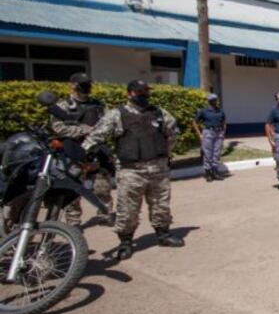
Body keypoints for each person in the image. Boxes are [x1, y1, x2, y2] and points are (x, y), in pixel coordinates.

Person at [83, 80, 183, 260]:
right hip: (131, 171)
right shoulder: (117, 115)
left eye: (146, 91)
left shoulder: (159, 113)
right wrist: (82, 153)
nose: (144, 95)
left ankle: (163, 235)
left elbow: (173, 133)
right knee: (128, 209)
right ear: (129, 94)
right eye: (139, 92)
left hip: (158, 169)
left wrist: (164, 154)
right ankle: (126, 243)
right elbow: (96, 136)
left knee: (161, 205)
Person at [49, 72, 114, 226]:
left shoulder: (98, 105)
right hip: (74, 151)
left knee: (103, 187)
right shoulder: (63, 106)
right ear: (72, 85)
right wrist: (84, 130)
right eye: (83, 84)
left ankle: (104, 214)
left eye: (88, 84)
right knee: (74, 189)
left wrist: (98, 133)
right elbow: (58, 128)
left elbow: (109, 124)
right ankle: (73, 222)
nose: (87, 87)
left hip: (96, 150)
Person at [192, 93, 227, 182]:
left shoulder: (220, 111)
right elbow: (194, 122)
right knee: (208, 153)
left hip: (219, 133)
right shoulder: (203, 111)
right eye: (212, 100)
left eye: (215, 99)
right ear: (209, 101)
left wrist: (223, 132)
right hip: (208, 132)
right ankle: (208, 173)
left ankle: (215, 172)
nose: (214, 101)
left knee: (217, 153)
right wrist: (199, 134)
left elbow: (224, 121)